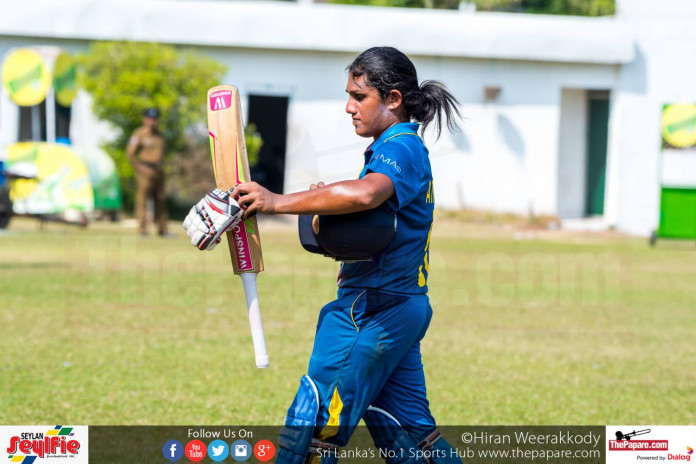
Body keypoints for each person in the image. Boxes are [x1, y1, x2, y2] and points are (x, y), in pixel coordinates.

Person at [184, 46, 462, 464]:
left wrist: (275, 201)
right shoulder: (397, 146)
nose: (348, 107)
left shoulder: (400, 145)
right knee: (407, 433)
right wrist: (316, 208)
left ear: (393, 100)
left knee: (312, 428)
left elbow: (367, 194)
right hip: (400, 307)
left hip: (371, 310)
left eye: (358, 96)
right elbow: (366, 223)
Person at [127, 107, 169, 236]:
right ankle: (142, 228)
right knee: (142, 199)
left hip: (158, 171)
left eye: (155, 119)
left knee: (160, 200)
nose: (153, 121)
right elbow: (130, 153)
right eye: (150, 118)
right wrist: (139, 166)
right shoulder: (139, 134)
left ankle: (163, 229)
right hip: (145, 171)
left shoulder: (159, 135)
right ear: (145, 119)